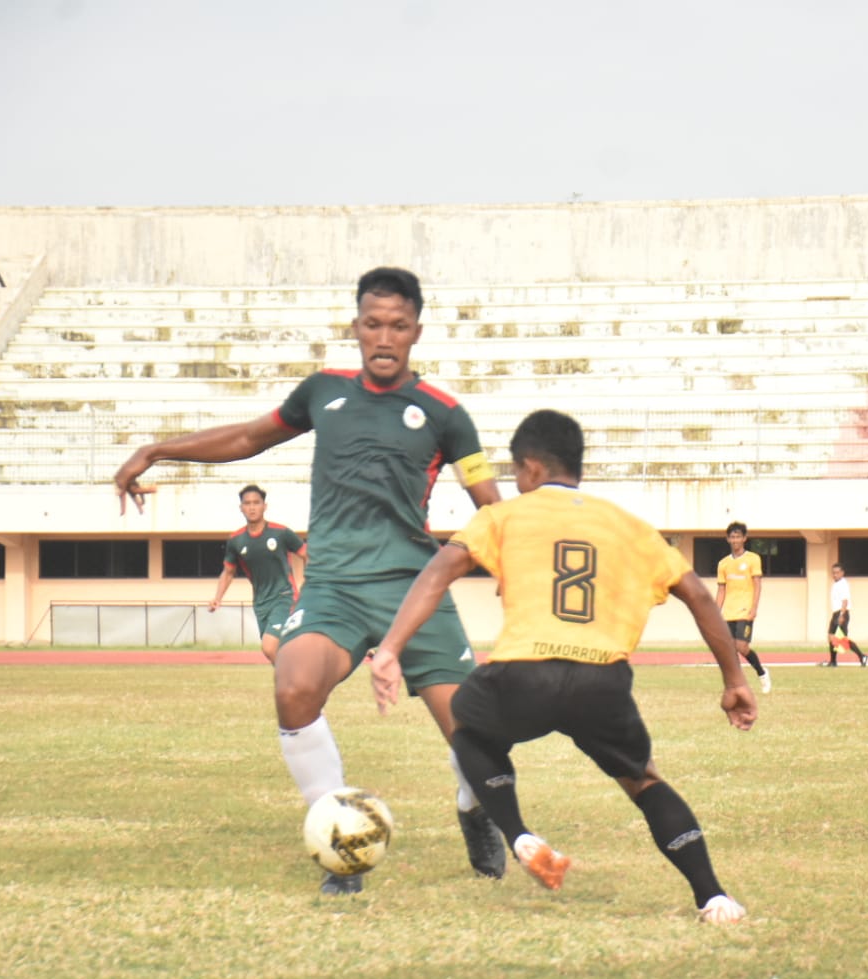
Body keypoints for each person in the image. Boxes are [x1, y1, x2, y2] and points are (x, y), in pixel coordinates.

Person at [114, 266, 510, 894]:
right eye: (373, 324)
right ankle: (340, 838)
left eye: (398, 326)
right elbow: (248, 436)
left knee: (476, 737)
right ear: (356, 328)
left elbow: (489, 498)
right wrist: (158, 449)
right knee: (294, 686)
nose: (384, 337)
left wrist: (516, 562)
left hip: (414, 588)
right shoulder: (322, 392)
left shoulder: (444, 414)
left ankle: (472, 808)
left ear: (416, 332)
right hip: (334, 588)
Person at [368, 410, 758, 923]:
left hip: (523, 670)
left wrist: (392, 646)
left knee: (465, 724)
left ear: (529, 468)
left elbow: (440, 569)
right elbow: (698, 596)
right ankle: (714, 897)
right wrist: (734, 679)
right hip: (603, 679)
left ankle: (520, 836)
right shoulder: (629, 525)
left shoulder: (506, 516)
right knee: (644, 781)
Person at [208, 484, 306, 663]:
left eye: (256, 503)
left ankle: (297, 682)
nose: (252, 507)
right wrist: (218, 598)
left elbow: (308, 555)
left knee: (269, 647)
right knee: (279, 649)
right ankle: (301, 679)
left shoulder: (281, 533)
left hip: (284, 596)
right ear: (241, 508)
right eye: (247, 503)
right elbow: (228, 572)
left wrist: (311, 583)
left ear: (264, 506)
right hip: (261, 603)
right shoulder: (236, 540)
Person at [715, 521, 770, 693]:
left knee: (742, 647)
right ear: (728, 539)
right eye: (732, 537)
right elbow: (721, 589)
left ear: (744, 539)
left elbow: (757, 584)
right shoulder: (723, 563)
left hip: (745, 610)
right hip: (728, 612)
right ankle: (738, 685)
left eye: (738, 536)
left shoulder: (753, 559)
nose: (735, 540)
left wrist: (754, 608)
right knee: (730, 650)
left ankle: (762, 673)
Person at [820, 563, 868, 667]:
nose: (835, 575)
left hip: (841, 613)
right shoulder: (835, 584)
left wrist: (842, 615)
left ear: (842, 573)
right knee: (832, 637)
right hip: (836, 613)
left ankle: (862, 656)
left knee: (842, 639)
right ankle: (833, 661)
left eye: (837, 573)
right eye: (833, 573)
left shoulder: (843, 584)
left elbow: (845, 601)